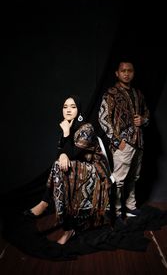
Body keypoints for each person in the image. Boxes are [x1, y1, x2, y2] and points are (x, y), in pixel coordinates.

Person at [24, 95, 111, 244]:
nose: (68, 110)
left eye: (73, 106)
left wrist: (65, 134)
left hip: (95, 171)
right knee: (61, 168)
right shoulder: (68, 127)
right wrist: (64, 149)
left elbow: (73, 154)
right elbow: (60, 155)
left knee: (61, 167)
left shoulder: (86, 127)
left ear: (79, 110)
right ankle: (68, 228)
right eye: (65, 107)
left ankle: (45, 201)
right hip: (75, 169)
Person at [98, 60, 150, 218]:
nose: (126, 73)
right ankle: (116, 211)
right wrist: (116, 141)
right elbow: (103, 118)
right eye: (123, 71)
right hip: (123, 143)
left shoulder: (138, 94)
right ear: (117, 73)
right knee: (119, 179)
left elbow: (147, 113)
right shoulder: (111, 94)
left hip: (139, 142)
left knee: (134, 177)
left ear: (133, 73)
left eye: (130, 71)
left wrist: (143, 120)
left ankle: (130, 206)